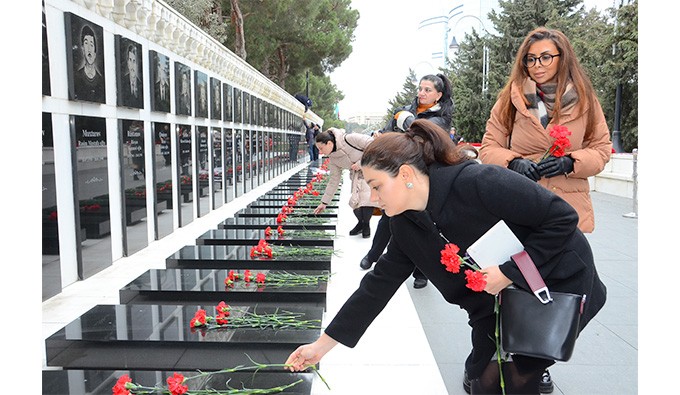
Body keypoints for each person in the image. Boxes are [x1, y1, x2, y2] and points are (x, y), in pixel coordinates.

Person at [285, 119, 607, 395]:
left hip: (552, 283)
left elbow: (562, 218)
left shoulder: (479, 182)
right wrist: (321, 346)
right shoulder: (405, 225)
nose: (373, 197)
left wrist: (509, 272)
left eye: (377, 186)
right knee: (483, 378)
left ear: (407, 175)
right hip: (493, 306)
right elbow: (376, 287)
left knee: (516, 375)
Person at [479, 28, 612, 392]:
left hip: (566, 209)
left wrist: (572, 161)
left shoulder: (584, 98)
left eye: (545, 57)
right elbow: (488, 147)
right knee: (519, 290)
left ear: (562, 57)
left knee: (587, 294)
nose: (537, 65)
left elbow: (601, 150)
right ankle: (501, 363)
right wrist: (513, 161)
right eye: (530, 59)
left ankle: (533, 358)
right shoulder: (511, 98)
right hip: (521, 207)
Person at [360, 73, 454, 290]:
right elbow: (388, 131)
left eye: (428, 90)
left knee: (424, 222)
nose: (422, 93)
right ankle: (372, 255)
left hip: (424, 175)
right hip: (398, 171)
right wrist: (381, 134)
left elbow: (420, 131)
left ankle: (422, 272)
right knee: (388, 217)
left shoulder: (441, 117)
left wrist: (404, 120)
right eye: (420, 88)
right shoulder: (406, 109)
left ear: (438, 95)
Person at [312, 128, 378, 238]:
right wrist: (324, 203)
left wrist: (361, 163)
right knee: (355, 203)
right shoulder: (333, 159)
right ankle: (361, 223)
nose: (320, 151)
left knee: (366, 200)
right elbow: (334, 180)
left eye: (321, 148)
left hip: (372, 169)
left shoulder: (350, 139)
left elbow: (375, 146)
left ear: (329, 143)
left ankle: (366, 225)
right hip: (356, 176)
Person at [73, 24, 104, 103]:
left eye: (91, 45)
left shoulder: (101, 81)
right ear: (83, 49)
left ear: (95, 51)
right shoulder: (77, 77)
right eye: (86, 44)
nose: (89, 49)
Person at [121, 43, 143, 108]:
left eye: (134, 61)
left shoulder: (140, 85)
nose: (132, 65)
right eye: (130, 60)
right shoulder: (123, 82)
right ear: (128, 62)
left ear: (137, 64)